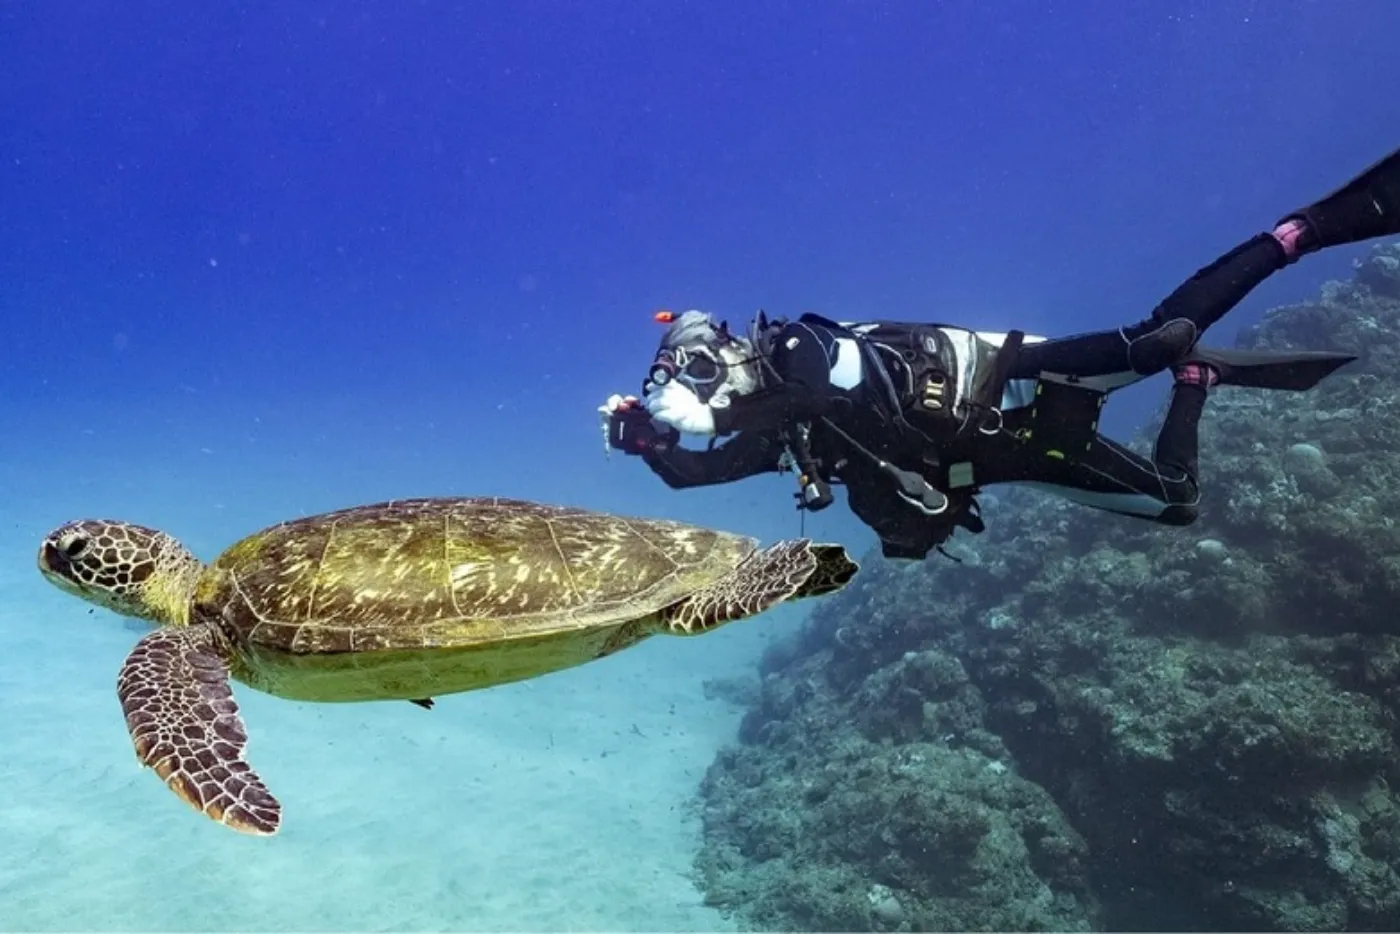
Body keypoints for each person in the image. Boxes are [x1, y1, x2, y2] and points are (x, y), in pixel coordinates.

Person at [601, 148, 1400, 560]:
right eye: (690, 381)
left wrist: (716, 408)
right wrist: (646, 442)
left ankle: (1302, 233)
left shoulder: (799, 345)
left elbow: (813, 398)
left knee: (1159, 339)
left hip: (1003, 381)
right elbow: (701, 472)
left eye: (702, 367)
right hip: (1002, 454)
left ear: (733, 348)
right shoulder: (778, 436)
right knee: (1177, 502)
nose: (701, 390)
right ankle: (1203, 382)